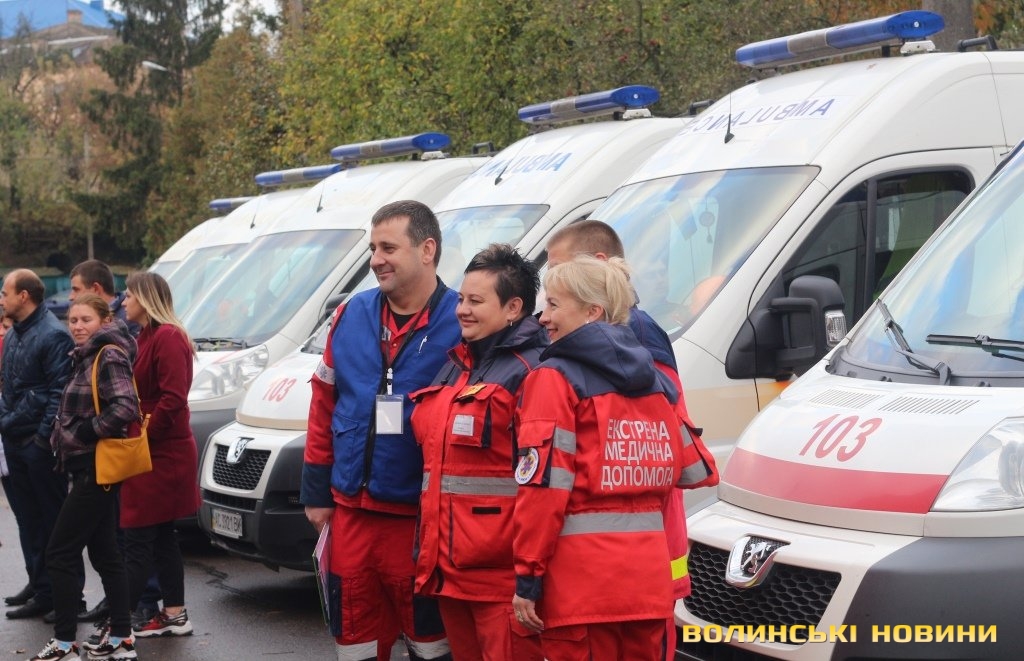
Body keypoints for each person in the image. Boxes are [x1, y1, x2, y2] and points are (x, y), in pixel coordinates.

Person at [545, 220, 718, 658]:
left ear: (598, 266)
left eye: (560, 271)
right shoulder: (620, 336)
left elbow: (665, 438)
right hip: (639, 547)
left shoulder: (634, 333)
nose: (546, 303)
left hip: (638, 544)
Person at [511, 256, 698, 660]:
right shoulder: (657, 382)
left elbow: (543, 491)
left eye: (554, 304)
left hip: (579, 591)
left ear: (592, 311)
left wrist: (527, 576)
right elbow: (689, 468)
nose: (543, 318)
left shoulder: (552, 379)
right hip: (647, 584)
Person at [302, 200, 462, 661]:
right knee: (355, 643)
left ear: (427, 250)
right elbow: (323, 404)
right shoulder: (351, 314)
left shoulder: (462, 320)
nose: (375, 260)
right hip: (351, 516)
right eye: (373, 248)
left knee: (431, 645)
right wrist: (316, 492)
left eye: (388, 248)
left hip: (420, 521)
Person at [410, 244, 547, 661]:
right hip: (448, 571)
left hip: (500, 581)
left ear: (513, 308)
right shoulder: (457, 364)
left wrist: (530, 577)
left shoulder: (532, 371)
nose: (462, 311)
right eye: (461, 300)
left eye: (475, 301)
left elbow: (543, 486)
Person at [28, 294, 140, 661]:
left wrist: (87, 432)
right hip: (86, 466)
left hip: (97, 466)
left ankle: (64, 644)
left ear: (105, 320)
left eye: (85, 319)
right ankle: (121, 638)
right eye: (73, 320)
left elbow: (125, 405)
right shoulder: (86, 355)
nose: (77, 326)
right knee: (105, 553)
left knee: (59, 552)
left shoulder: (108, 355)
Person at [117, 272, 199, 638]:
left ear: (146, 298)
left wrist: (142, 439)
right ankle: (174, 614)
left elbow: (173, 397)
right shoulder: (147, 335)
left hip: (161, 451)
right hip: (152, 446)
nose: (123, 301)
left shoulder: (167, 336)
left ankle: (118, 626)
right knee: (162, 535)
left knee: (137, 536)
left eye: (129, 295)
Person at [0, 270, 77, 621]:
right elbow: (11, 387)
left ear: (24, 296)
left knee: (54, 523)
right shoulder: (16, 333)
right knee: (30, 521)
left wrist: (42, 440)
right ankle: (42, 589)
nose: (2, 299)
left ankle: (68, 598)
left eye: (5, 292)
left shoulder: (52, 334)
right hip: (15, 439)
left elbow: (59, 393)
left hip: (37, 445)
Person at [69, 260, 141, 337]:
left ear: (96, 289)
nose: (71, 297)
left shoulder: (130, 318)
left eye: (76, 290)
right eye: (73, 321)